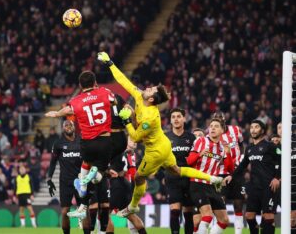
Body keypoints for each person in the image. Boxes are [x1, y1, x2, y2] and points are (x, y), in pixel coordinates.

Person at [97, 52, 222, 217]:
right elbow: (124, 81)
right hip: (164, 143)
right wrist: (110, 63)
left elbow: (135, 137)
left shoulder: (150, 117)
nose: (147, 88)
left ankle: (133, 206)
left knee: (139, 178)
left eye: (151, 90)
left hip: (155, 151)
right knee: (177, 170)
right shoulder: (140, 96)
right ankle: (213, 179)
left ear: (151, 99)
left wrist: (127, 121)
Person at [45, 70, 114, 220]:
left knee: (85, 165)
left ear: (80, 85)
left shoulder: (77, 100)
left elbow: (68, 110)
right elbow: (114, 101)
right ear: (95, 82)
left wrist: (56, 114)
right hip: (105, 140)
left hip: (88, 142)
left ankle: (82, 193)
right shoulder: (104, 92)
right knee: (100, 173)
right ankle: (93, 178)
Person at [223, 120, 281, 234]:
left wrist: (277, 178)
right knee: (249, 216)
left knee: (268, 216)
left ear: (262, 130)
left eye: (256, 127)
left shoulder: (270, 146)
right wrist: (231, 176)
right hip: (254, 187)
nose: (253, 129)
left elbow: (282, 160)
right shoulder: (249, 148)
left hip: (268, 186)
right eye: (252, 127)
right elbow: (243, 165)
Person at [86, 93, 128, 234]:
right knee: (94, 207)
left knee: (103, 207)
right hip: (100, 174)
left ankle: (101, 231)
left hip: (109, 178)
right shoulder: (102, 140)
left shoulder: (114, 143)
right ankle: (92, 231)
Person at [187, 118, 233, 234]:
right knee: (207, 216)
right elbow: (189, 161)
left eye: (216, 126)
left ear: (222, 130)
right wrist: (199, 155)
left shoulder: (223, 148)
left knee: (224, 220)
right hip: (197, 183)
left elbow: (230, 169)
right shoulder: (201, 141)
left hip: (213, 186)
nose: (212, 128)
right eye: (211, 126)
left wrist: (227, 153)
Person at [47, 120, 82, 234]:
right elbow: (53, 162)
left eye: (70, 125)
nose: (68, 127)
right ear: (63, 128)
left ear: (74, 127)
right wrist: (49, 178)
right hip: (65, 181)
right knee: (64, 212)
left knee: (84, 210)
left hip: (81, 181)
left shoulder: (81, 141)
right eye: (66, 125)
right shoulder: (58, 143)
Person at [212, 111, 245, 234]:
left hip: (236, 172)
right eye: (215, 119)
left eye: (219, 118)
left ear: (224, 119)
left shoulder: (236, 130)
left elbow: (241, 145)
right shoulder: (211, 134)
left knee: (238, 204)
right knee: (220, 204)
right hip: (220, 173)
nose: (218, 120)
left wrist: (241, 159)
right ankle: (216, 231)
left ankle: (238, 232)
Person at [165, 108, 196, 234]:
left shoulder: (191, 137)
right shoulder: (165, 138)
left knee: (188, 212)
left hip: (188, 178)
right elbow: (160, 158)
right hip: (172, 178)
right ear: (170, 120)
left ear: (184, 118)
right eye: (173, 117)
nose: (176, 119)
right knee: (175, 210)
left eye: (179, 116)